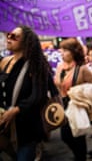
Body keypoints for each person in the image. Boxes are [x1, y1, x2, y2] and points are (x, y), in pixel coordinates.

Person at [0, 25, 51, 160]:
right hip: (4, 125)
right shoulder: (5, 62)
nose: (9, 38)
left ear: (26, 42)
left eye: (14, 36)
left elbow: (38, 96)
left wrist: (15, 110)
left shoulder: (36, 65)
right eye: (9, 35)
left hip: (27, 128)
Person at [54, 38, 92, 161]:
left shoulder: (82, 69)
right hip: (63, 106)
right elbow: (57, 84)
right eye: (61, 50)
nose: (62, 53)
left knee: (78, 135)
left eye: (65, 50)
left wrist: (79, 91)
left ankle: (80, 157)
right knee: (65, 136)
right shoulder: (60, 67)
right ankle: (78, 156)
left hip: (77, 106)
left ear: (73, 52)